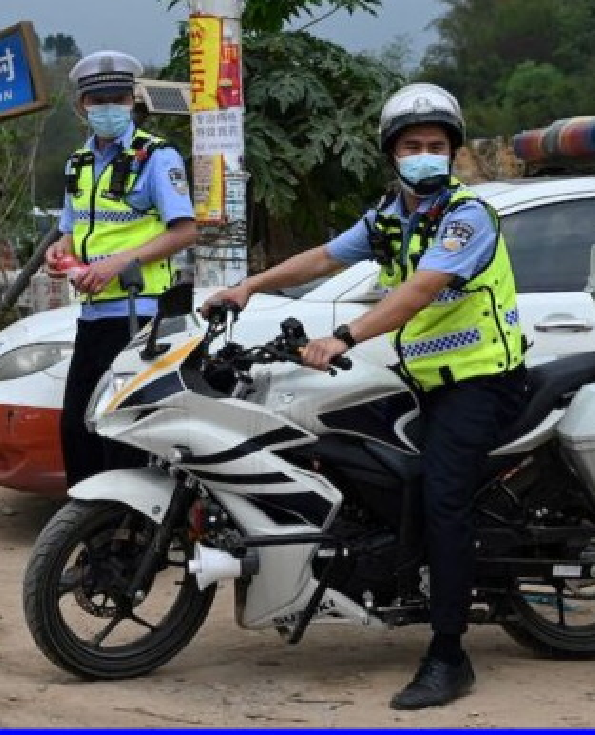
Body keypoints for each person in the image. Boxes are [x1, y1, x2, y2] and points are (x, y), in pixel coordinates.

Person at [202, 83, 528, 710]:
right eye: (413, 146)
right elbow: (321, 257)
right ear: (392, 153)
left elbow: (421, 291)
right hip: (426, 382)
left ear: (452, 152)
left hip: (483, 382)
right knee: (355, 459)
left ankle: (449, 653)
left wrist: (344, 335)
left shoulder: (467, 218)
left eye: (436, 146)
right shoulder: (389, 216)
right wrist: (251, 286)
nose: (425, 155)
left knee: (442, 498)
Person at [46, 50, 198, 488]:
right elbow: (69, 233)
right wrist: (59, 254)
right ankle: (92, 537)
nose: (108, 108)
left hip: (139, 315)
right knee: (77, 429)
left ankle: (131, 538)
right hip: (93, 314)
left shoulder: (156, 157)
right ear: (82, 107)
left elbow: (184, 231)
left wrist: (117, 264)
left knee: (124, 434)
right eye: (98, 100)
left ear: (133, 100)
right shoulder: (79, 163)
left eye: (117, 98)